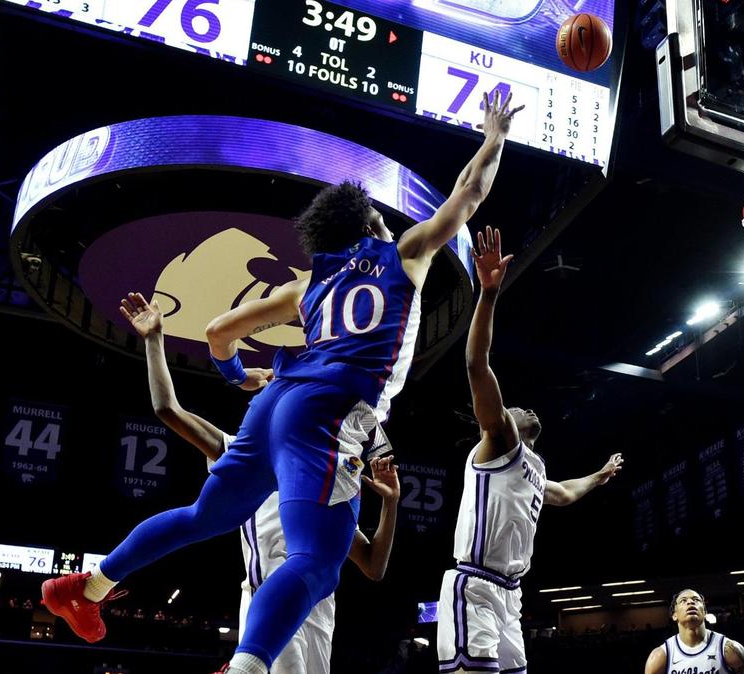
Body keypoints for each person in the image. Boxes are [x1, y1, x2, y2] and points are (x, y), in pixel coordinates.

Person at [41, 91, 523, 674]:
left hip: (274, 403)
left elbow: (218, 332)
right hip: (331, 410)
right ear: (371, 225)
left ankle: (89, 587)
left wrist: (237, 375)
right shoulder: (406, 251)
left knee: (203, 517)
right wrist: (494, 136)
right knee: (318, 562)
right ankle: (244, 670)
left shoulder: (305, 287)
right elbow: (470, 193)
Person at [118, 291, 400, 673]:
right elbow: (167, 408)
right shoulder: (238, 454)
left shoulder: (330, 472)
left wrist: (391, 503)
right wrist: (154, 340)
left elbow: (373, 566)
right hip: (265, 601)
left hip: (316, 610)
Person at [436, 227, 624, 674]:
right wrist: (488, 294)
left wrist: (598, 476)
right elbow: (475, 363)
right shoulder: (500, 439)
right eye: (517, 407)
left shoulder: (534, 470)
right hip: (475, 585)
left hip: (511, 593)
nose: (527, 408)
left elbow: (564, 494)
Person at [643, 589, 744, 674]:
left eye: (696, 600)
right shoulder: (660, 656)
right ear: (674, 615)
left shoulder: (729, 648)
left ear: (705, 611)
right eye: (683, 601)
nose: (690, 602)